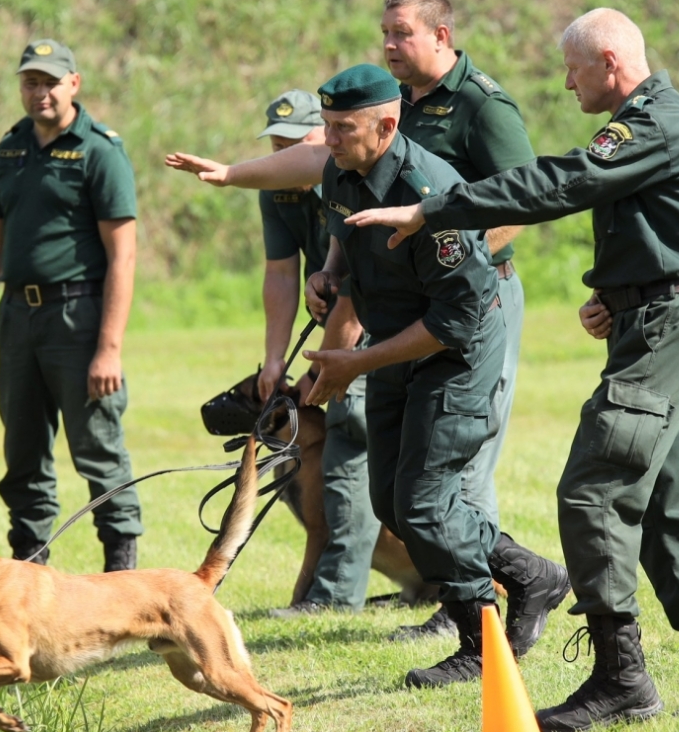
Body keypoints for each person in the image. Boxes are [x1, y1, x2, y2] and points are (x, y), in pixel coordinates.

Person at [343, 9, 679, 730]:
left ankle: (621, 681)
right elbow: (657, 226)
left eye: (573, 68)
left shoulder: (650, 123)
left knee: (593, 488)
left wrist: (441, 209)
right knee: (668, 499)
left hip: (666, 327)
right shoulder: (650, 121)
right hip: (656, 320)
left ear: (608, 61)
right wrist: (618, 296)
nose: (564, 81)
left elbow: (562, 182)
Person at [166, 65, 567, 686]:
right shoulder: (341, 169)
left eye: (341, 128)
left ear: (386, 125)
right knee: (392, 502)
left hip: (454, 353)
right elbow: (344, 238)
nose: (327, 139)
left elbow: (456, 321)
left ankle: (478, 635)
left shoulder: (432, 191)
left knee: (427, 503)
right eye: (324, 126)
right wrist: (328, 275)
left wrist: (353, 363)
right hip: (395, 345)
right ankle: (532, 574)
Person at [370, 0, 558, 641]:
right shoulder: (396, 106)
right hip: (415, 307)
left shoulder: (481, 105)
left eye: (403, 34)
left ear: (442, 36)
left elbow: (522, 204)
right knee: (412, 471)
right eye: (386, 34)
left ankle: (472, 609)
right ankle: (470, 595)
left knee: (460, 459)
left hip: (479, 300)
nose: (390, 45)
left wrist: (459, 270)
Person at [0, 40, 143, 572]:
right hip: (17, 320)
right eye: (31, 82)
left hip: (76, 318)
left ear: (74, 84)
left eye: (51, 82)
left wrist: (108, 348)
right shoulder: (10, 150)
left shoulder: (99, 151)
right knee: (23, 458)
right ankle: (29, 576)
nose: (40, 93)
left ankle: (121, 575)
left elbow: (122, 254)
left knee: (98, 452)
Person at [248, 90, 379, 617]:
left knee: (351, 442)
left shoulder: (350, 177)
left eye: (291, 145)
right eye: (274, 146)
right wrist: (275, 359)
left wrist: (325, 366)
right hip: (335, 317)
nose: (281, 157)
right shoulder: (277, 187)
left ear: (322, 136)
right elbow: (281, 273)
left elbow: (363, 284)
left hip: (373, 317)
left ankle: (335, 596)